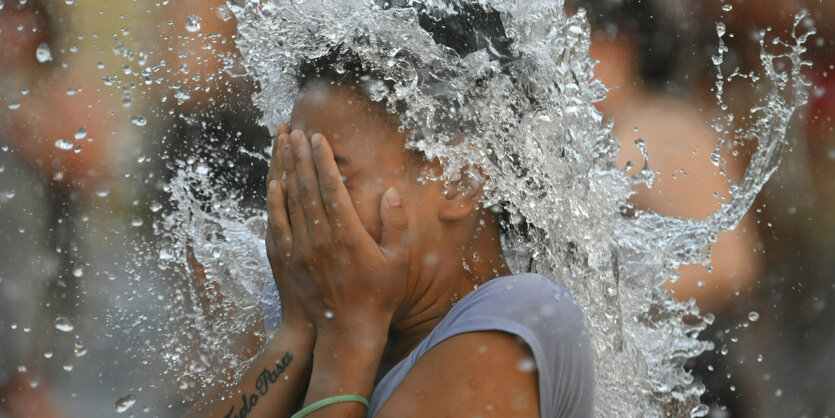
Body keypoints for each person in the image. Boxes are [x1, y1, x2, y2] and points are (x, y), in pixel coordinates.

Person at [187, 3, 595, 417]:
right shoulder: (309, 304)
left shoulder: (514, 318)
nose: (299, 212)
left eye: (330, 182)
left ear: (461, 182)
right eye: (295, 179)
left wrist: (349, 337)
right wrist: (296, 333)